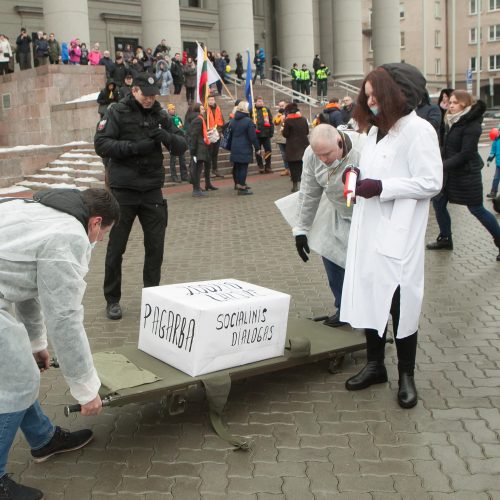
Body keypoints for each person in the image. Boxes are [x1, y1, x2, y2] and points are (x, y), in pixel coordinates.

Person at [0, 188, 120, 500]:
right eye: (104, 232)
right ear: (95, 222)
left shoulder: (41, 209)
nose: (101, 240)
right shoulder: (68, 237)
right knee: (16, 382)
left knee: (20, 373)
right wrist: (85, 390)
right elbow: (65, 318)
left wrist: (37, 343)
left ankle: (43, 439)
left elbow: (28, 285)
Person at [340, 63, 443, 409]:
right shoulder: (373, 132)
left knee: (401, 302)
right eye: (365, 96)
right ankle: (374, 365)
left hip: (399, 231)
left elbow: (431, 182)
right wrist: (357, 177)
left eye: (375, 96)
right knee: (370, 293)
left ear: (395, 94)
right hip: (368, 227)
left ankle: (407, 376)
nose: (370, 103)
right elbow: (371, 171)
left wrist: (382, 186)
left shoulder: (419, 131)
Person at [94, 73, 187, 320]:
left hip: (152, 191)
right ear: (134, 90)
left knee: (155, 247)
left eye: (153, 94)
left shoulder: (160, 114)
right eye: (145, 94)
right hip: (123, 191)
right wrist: (134, 148)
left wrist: (165, 137)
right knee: (116, 249)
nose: (149, 99)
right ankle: (112, 299)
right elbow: (101, 144)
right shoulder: (116, 111)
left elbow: (181, 145)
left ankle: (153, 296)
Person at [294, 124, 362, 327]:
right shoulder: (311, 155)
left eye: (327, 154)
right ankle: (343, 308)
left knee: (361, 267)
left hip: (365, 214)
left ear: (340, 143)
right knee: (330, 254)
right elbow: (308, 192)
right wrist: (301, 229)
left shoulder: (363, 148)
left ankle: (368, 313)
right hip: (336, 210)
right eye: (318, 154)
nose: (323, 159)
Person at [426, 90, 500, 261]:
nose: (450, 105)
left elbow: (466, 153)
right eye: (449, 102)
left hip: (466, 174)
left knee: (477, 209)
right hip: (449, 173)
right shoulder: (450, 121)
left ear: (465, 105)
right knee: (438, 201)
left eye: (454, 102)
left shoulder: (471, 124)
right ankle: (445, 238)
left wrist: (440, 166)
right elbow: (445, 147)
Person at [230, 100, 259, 195]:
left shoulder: (233, 120)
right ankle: (242, 187)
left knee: (237, 167)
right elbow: (252, 137)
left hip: (235, 146)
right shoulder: (248, 121)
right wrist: (257, 148)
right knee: (243, 168)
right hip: (244, 146)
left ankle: (238, 184)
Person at [189, 103, 216, 197]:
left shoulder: (199, 119)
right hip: (198, 148)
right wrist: (193, 150)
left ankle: (197, 188)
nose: (204, 110)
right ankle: (196, 189)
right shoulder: (198, 120)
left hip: (200, 146)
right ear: (198, 110)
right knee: (197, 169)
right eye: (202, 109)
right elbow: (194, 135)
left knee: (198, 169)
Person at [282, 102, 309, 192]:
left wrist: (283, 130)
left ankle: (295, 186)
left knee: (293, 167)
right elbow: (307, 132)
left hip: (292, 148)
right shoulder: (304, 119)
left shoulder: (288, 121)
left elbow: (286, 134)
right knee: (303, 166)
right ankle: (304, 185)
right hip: (304, 146)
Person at [167, 103, 188, 183]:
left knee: (182, 159)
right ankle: (174, 176)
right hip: (173, 141)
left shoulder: (178, 118)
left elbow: (182, 128)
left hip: (181, 140)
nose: (173, 110)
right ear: (168, 110)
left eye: (173, 109)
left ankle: (184, 175)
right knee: (173, 160)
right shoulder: (168, 119)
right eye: (171, 109)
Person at [254, 97, 274, 173]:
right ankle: (260, 166)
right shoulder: (252, 110)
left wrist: (271, 132)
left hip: (266, 134)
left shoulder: (267, 109)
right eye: (259, 101)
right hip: (256, 135)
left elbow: (271, 121)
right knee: (257, 151)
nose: (261, 103)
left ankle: (268, 166)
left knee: (268, 150)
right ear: (255, 102)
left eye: (262, 101)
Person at [206, 95, 225, 178]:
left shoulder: (218, 108)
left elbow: (222, 120)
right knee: (209, 153)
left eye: (212, 99)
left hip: (217, 133)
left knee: (215, 153)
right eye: (209, 100)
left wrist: (222, 131)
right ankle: (208, 170)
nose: (211, 101)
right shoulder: (205, 110)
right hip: (209, 134)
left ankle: (215, 169)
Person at [273, 100, 290, 177]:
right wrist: (279, 116)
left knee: (289, 154)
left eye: (282, 106)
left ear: (286, 106)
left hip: (288, 137)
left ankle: (291, 169)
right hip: (280, 138)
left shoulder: (290, 114)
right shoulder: (277, 115)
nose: (281, 107)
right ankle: (286, 169)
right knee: (283, 155)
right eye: (280, 106)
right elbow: (275, 123)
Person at [487, 130, 500, 199]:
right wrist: (489, 160)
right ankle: (493, 192)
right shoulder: (495, 142)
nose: (495, 138)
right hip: (498, 164)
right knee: (496, 178)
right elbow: (493, 152)